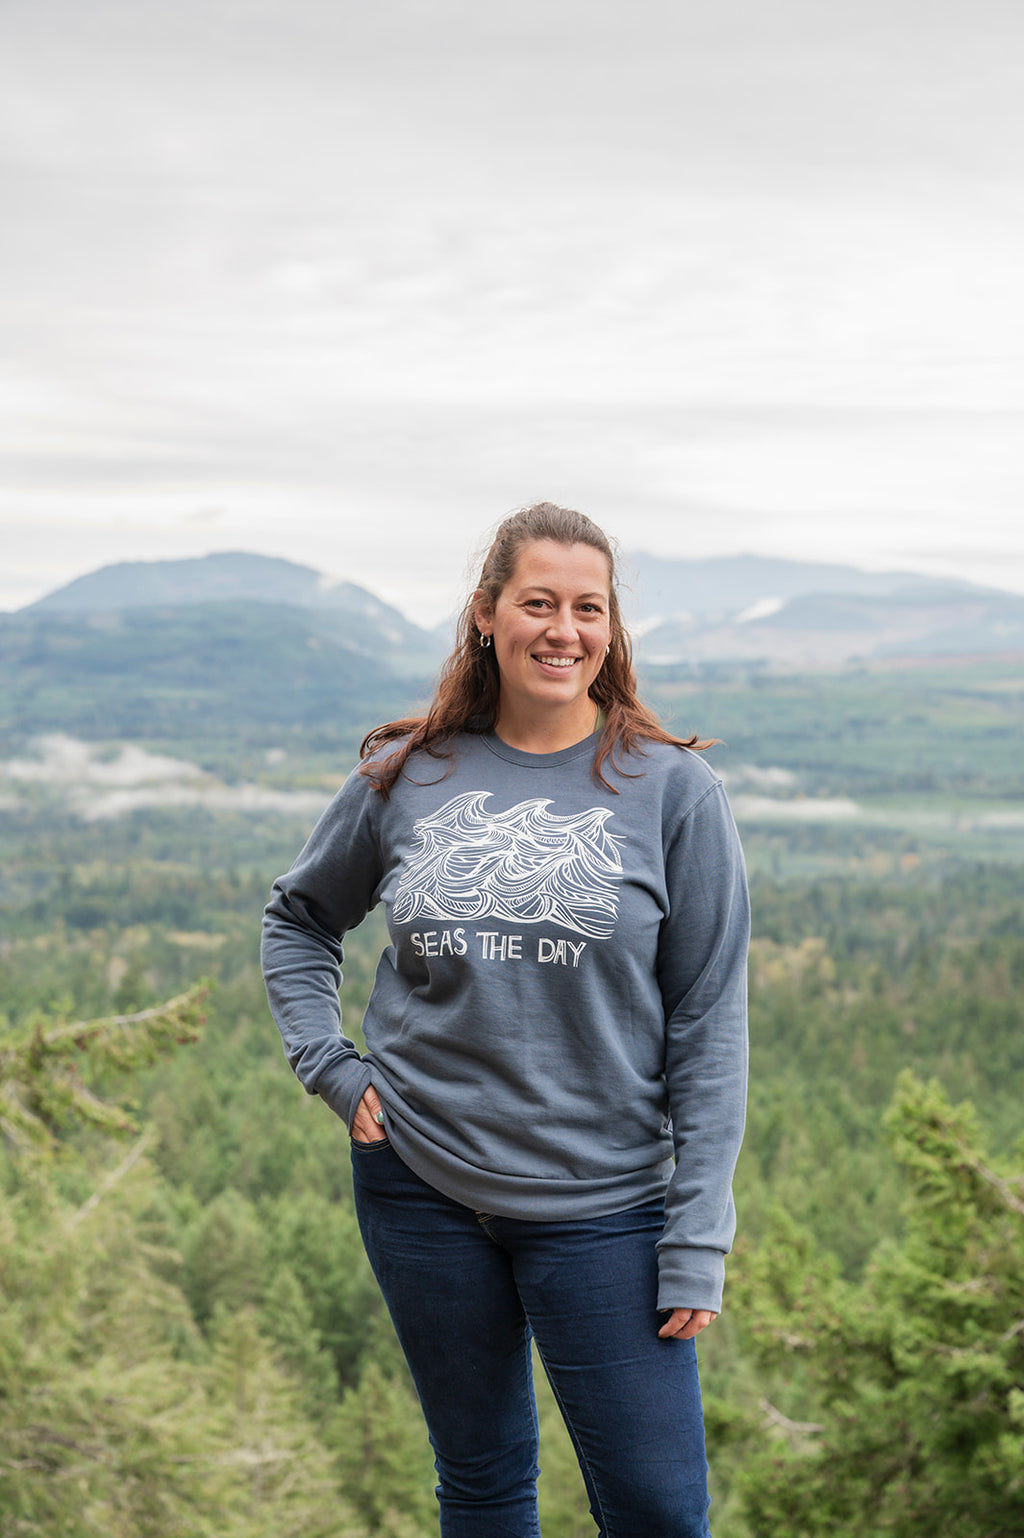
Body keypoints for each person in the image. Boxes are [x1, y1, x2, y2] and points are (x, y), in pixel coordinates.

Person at [261, 502, 749, 1538]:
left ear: (609, 630)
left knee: (659, 1509)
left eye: (587, 607)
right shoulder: (409, 772)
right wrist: (334, 1070)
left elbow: (708, 1020)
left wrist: (698, 1231)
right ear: (488, 614)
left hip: (605, 1206)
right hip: (421, 1184)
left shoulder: (673, 791)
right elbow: (298, 917)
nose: (561, 628)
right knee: (481, 1481)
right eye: (537, 602)